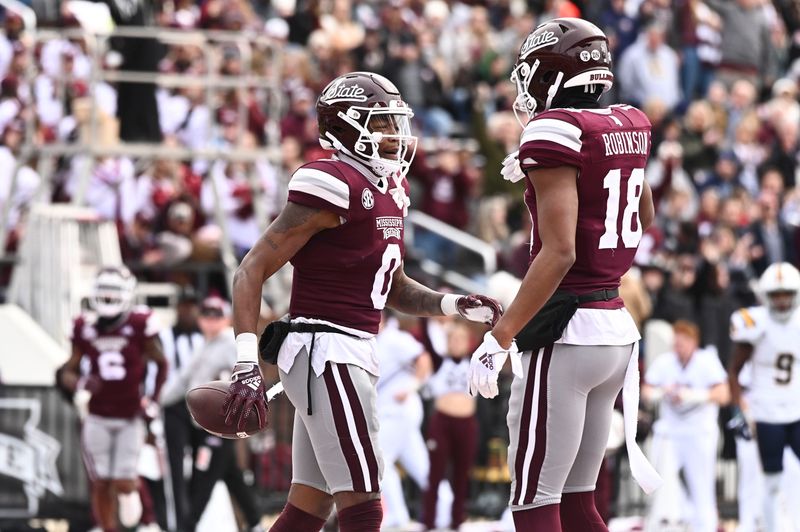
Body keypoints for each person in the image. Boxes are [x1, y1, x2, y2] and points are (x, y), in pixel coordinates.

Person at [220, 71, 504, 532]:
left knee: (306, 510)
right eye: (382, 124)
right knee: (366, 507)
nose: (395, 135)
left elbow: (391, 285)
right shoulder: (330, 181)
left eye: (396, 124)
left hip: (346, 351)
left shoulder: (391, 189)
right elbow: (250, 269)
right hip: (327, 352)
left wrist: (452, 305)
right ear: (348, 127)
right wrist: (246, 364)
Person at [467, 18, 661, 531]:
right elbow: (645, 215)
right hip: (614, 327)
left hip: (567, 331)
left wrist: (499, 337)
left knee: (535, 503)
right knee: (579, 505)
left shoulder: (555, 132)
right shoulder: (629, 121)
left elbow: (558, 252)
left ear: (551, 74)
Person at [57, 266, 167, 532]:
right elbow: (67, 371)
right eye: (103, 294)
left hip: (130, 415)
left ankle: (143, 520)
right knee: (101, 481)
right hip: (97, 415)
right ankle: (108, 528)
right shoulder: (84, 327)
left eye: (113, 293)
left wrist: (151, 398)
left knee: (125, 480)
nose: (107, 300)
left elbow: (161, 364)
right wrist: (81, 383)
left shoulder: (139, 324)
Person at [159, 295, 264, 532]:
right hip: (207, 423)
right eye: (206, 315)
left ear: (226, 318)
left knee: (203, 478)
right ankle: (256, 522)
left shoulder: (229, 343)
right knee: (230, 475)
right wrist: (159, 401)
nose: (210, 321)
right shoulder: (207, 345)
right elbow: (185, 382)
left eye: (216, 316)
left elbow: (242, 378)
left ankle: (188, 526)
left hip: (219, 423)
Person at [728, 261, 800, 532]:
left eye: (787, 294)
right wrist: (738, 409)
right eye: (776, 295)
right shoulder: (754, 323)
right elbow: (734, 370)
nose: (781, 302)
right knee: (771, 479)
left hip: (797, 407)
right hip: (767, 412)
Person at [642, 320, 729, 532]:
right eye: (676, 343)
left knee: (701, 484)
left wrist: (694, 396)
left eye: (682, 343)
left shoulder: (706, 361)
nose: (678, 347)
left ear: (693, 342)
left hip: (699, 431)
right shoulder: (665, 362)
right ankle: (667, 522)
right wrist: (663, 391)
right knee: (663, 482)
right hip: (671, 431)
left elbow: (723, 395)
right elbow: (646, 391)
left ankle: (704, 525)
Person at [422, 320, 479, 531]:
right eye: (452, 339)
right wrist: (426, 314)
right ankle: (428, 522)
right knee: (435, 473)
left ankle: (457, 521)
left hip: (466, 424)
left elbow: (488, 338)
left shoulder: (474, 362)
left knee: (462, 473)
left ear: (467, 342)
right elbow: (427, 339)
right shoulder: (439, 362)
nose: (456, 343)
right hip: (442, 422)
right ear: (446, 341)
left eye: (461, 339)